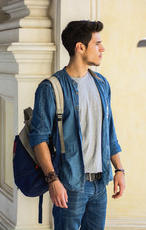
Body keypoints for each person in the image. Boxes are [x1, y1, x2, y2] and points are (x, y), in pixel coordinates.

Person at [29, 20, 125, 230]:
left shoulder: (102, 84)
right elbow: (39, 138)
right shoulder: (51, 88)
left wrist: (120, 169)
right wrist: (53, 180)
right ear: (80, 47)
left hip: (100, 183)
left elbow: (109, 132)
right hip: (70, 185)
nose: (102, 48)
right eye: (97, 43)